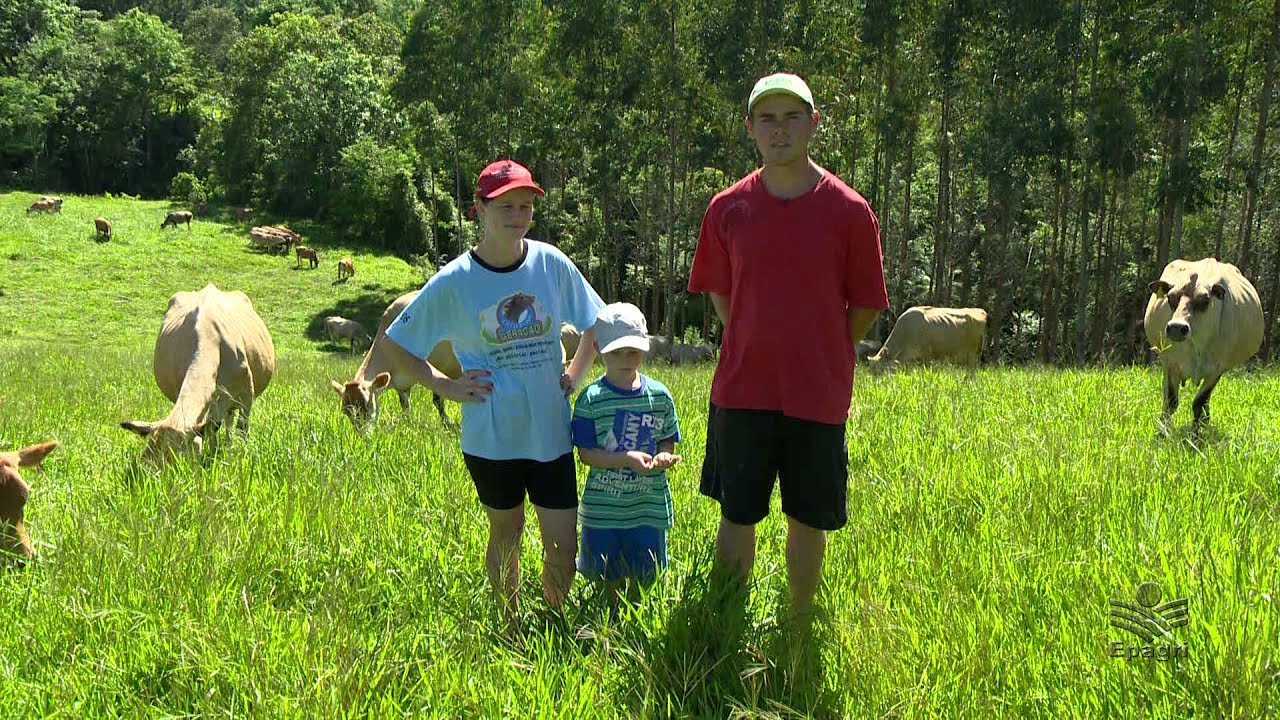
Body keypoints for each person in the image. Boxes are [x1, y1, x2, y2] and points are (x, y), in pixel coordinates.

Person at [687, 72, 889, 616]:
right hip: (742, 390)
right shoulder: (727, 208)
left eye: (792, 117)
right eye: (768, 120)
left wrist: (825, 346)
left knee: (808, 518)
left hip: (816, 395)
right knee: (737, 514)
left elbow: (867, 302)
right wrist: (755, 337)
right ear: (751, 128)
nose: (780, 131)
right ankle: (728, 620)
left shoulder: (849, 210)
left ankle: (799, 623)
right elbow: (721, 294)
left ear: (813, 124)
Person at [385, 159, 605, 627]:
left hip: (549, 433)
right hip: (491, 438)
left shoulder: (551, 264)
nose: (518, 215)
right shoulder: (455, 281)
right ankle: (510, 626)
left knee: (563, 541)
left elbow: (598, 322)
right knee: (506, 531)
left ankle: (553, 622)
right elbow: (396, 345)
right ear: (479, 210)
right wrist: (443, 384)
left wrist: (576, 371)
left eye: (525, 205)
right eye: (506, 205)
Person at [570, 303, 682, 607]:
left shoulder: (659, 396)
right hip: (605, 509)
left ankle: (635, 617)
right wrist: (624, 459)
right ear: (597, 348)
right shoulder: (590, 399)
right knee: (608, 575)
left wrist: (663, 457)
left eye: (632, 351)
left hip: (647, 507)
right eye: (615, 351)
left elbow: (667, 439)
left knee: (645, 575)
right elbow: (587, 454)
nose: (624, 359)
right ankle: (610, 617)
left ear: (644, 348)